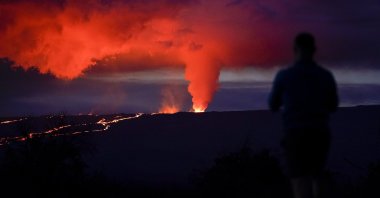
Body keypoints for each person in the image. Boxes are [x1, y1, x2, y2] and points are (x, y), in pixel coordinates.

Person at [268, 33, 339, 198]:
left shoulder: (284, 76)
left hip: (295, 133)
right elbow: (333, 105)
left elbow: (273, 105)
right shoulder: (325, 76)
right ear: (314, 50)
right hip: (319, 133)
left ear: (294, 50)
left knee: (299, 179)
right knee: (317, 176)